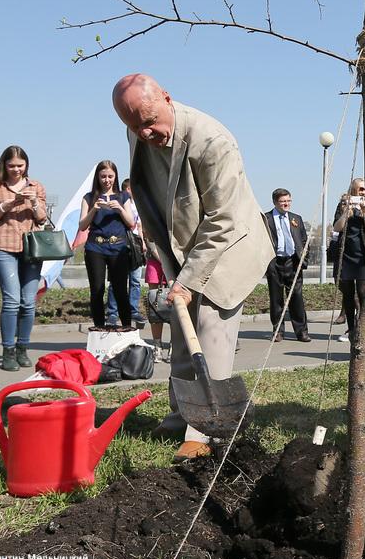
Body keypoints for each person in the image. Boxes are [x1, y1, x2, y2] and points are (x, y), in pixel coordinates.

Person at [112, 73, 274, 462]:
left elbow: (223, 220)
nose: (146, 132)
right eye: (135, 126)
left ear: (167, 97)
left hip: (230, 246)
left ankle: (203, 431)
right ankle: (180, 416)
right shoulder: (139, 130)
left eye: (151, 121)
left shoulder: (212, 141)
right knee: (183, 335)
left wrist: (190, 279)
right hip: (185, 248)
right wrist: (177, 273)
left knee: (210, 332)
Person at [0, 145, 49, 371]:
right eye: (11, 165)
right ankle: (7, 351)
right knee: (11, 300)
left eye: (20, 165)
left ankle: (22, 348)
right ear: (4, 165)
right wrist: (4, 206)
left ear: (26, 164)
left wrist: (34, 201)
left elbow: (41, 219)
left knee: (28, 302)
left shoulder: (36, 186)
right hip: (3, 247)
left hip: (31, 249)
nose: (16, 169)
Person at [79, 160, 136, 329]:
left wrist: (119, 209)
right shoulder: (89, 197)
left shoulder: (123, 196)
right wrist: (94, 209)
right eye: (103, 176)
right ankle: (99, 327)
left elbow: (131, 223)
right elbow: (82, 225)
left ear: (115, 177)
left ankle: (126, 326)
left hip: (118, 248)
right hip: (95, 247)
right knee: (97, 289)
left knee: (120, 289)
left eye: (110, 176)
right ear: (98, 177)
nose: (107, 180)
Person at [262, 188, 310, 342]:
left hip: (293, 262)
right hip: (275, 263)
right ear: (275, 202)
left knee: (296, 298)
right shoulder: (266, 219)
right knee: (276, 300)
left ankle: (301, 332)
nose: (286, 204)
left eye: (288, 201)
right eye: (283, 201)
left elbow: (303, 240)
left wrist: (303, 258)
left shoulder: (296, 218)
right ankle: (278, 332)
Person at [106, 178, 146, 328]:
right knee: (116, 281)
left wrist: (142, 243)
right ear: (127, 190)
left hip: (134, 244)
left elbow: (139, 225)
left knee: (135, 280)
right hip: (120, 243)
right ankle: (112, 312)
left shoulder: (136, 206)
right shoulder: (119, 203)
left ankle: (133, 309)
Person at [333, 178, 365, 343]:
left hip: (363, 254)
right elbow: (336, 228)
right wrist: (346, 212)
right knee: (347, 294)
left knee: (362, 293)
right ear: (352, 190)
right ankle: (352, 328)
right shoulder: (343, 204)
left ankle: (362, 328)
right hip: (345, 253)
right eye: (360, 189)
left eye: (364, 190)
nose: (362, 192)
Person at [144, 251, 171, 362]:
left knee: (174, 304)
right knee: (154, 304)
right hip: (155, 258)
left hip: (174, 260)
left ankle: (173, 345)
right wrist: (163, 260)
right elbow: (149, 239)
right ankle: (157, 345)